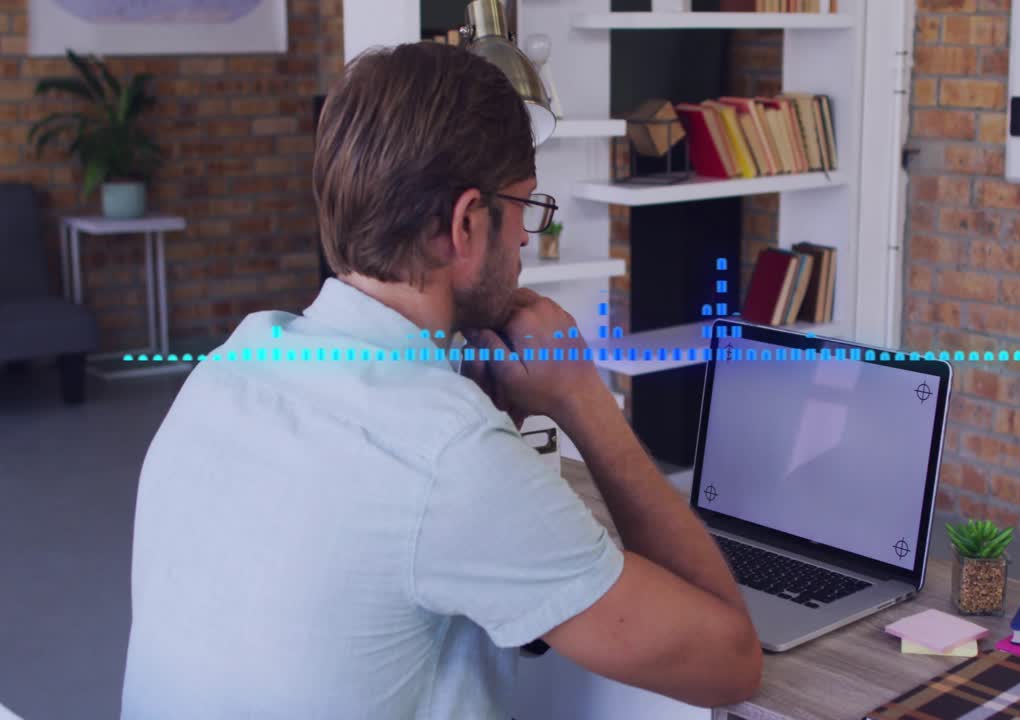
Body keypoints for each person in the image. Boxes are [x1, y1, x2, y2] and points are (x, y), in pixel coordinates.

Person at [121, 41, 761, 719]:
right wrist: (580, 395)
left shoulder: (230, 367)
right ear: (463, 225)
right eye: (524, 205)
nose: (522, 237)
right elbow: (730, 663)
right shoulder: (448, 455)